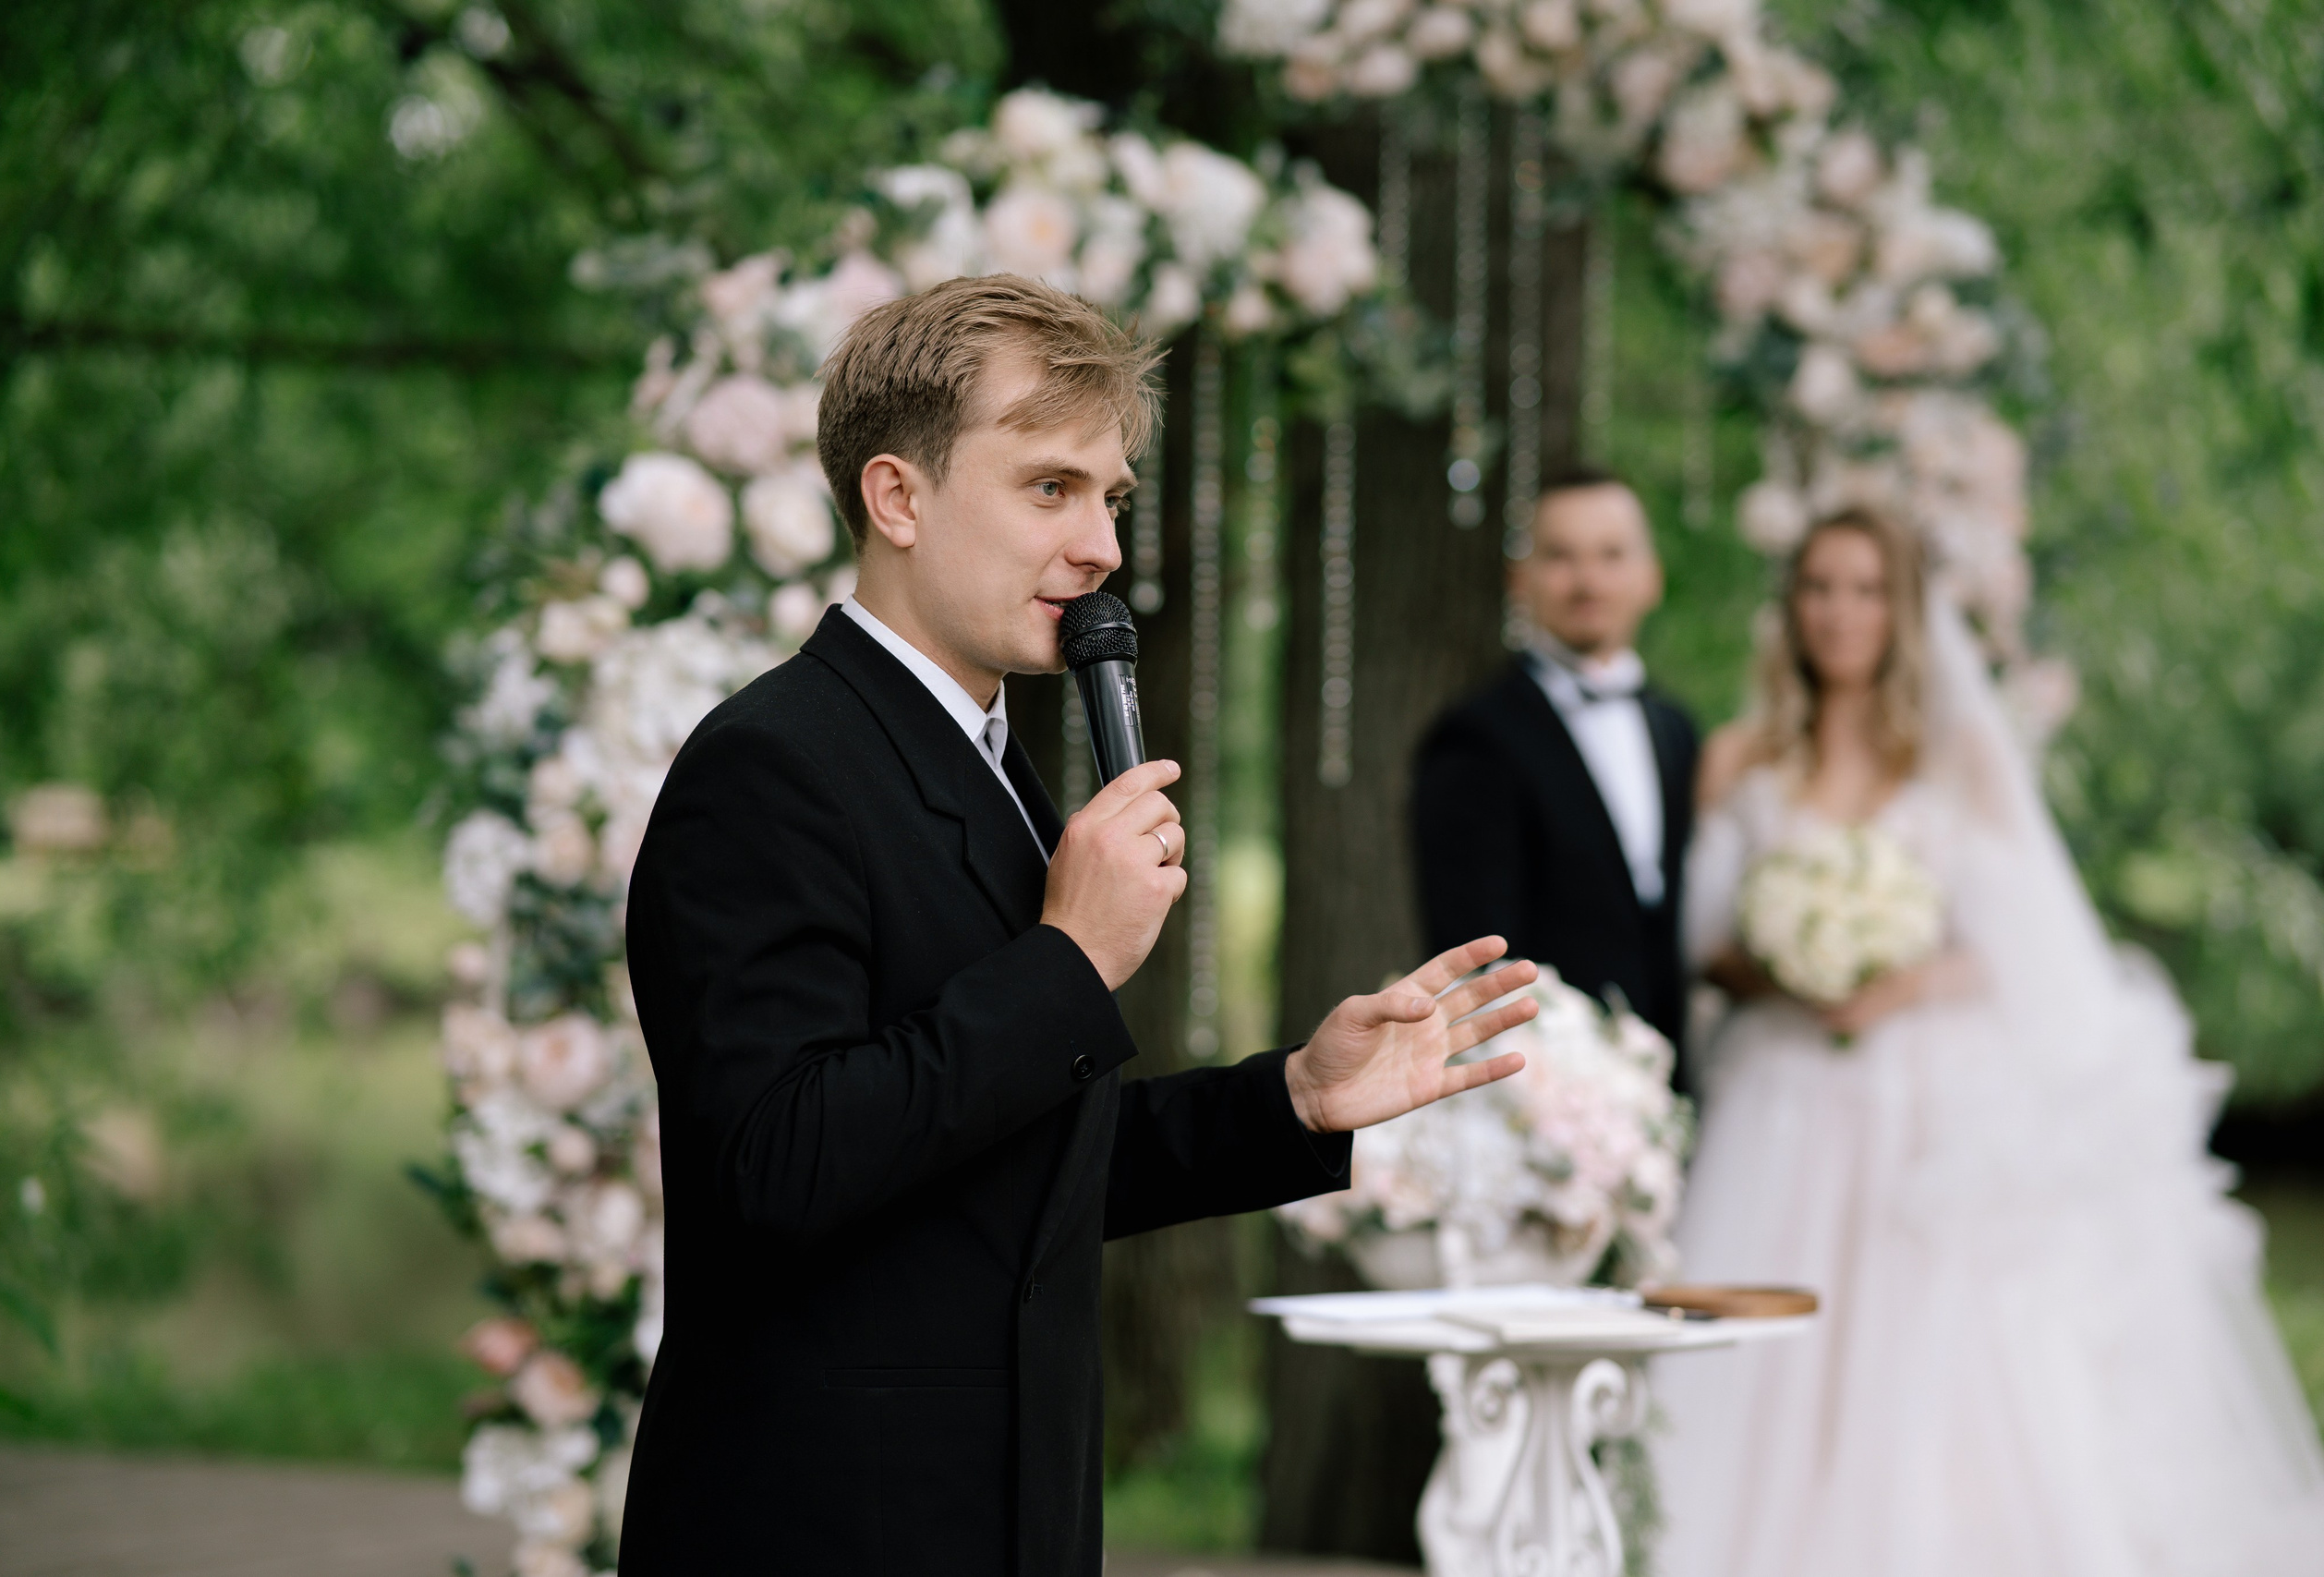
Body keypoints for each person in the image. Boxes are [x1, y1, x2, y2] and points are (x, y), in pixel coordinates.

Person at [615, 274, 1542, 1577]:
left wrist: (1292, 1100)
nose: (1104, 543)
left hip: (1013, 1506)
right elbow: (777, 1163)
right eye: (1050, 486)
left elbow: (1011, 1166)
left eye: (1110, 496)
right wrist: (1069, 959)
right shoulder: (772, 764)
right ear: (899, 497)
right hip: (833, 1516)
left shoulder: (990, 765)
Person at [1652, 509, 2324, 1576]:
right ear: (1791, 606)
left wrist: (1898, 978)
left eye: (1865, 589)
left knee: (1924, 1343)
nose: (1839, 612)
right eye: (1819, 587)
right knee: (1765, 1351)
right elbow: (1700, 941)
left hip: (1923, 1095)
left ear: (1902, 609)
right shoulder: (1740, 758)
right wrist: (1784, 968)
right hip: (1780, 1097)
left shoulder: (1956, 754)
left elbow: (2021, 944)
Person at [1412, 468, 1700, 1058]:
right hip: (1545, 1077)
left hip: (1682, 1077)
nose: (1588, 580)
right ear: (1520, 580)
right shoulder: (1474, 737)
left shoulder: (1679, 730)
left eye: (1611, 555)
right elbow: (1475, 949)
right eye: (1561, 557)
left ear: (1652, 578)